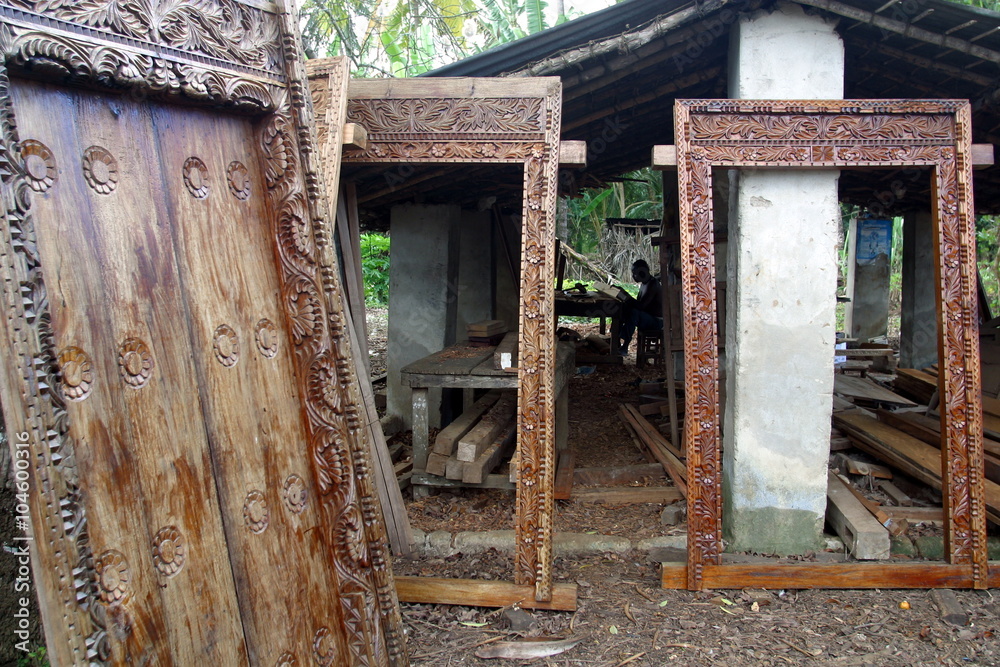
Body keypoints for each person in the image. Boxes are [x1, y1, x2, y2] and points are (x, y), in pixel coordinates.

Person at [619, 259, 663, 354]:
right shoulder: (644, 284)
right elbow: (638, 303)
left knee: (634, 313)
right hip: (649, 318)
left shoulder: (652, 284)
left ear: (642, 272)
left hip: (657, 322)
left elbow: (641, 306)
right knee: (623, 308)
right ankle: (617, 340)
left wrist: (626, 297)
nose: (633, 275)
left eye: (634, 273)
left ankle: (625, 345)